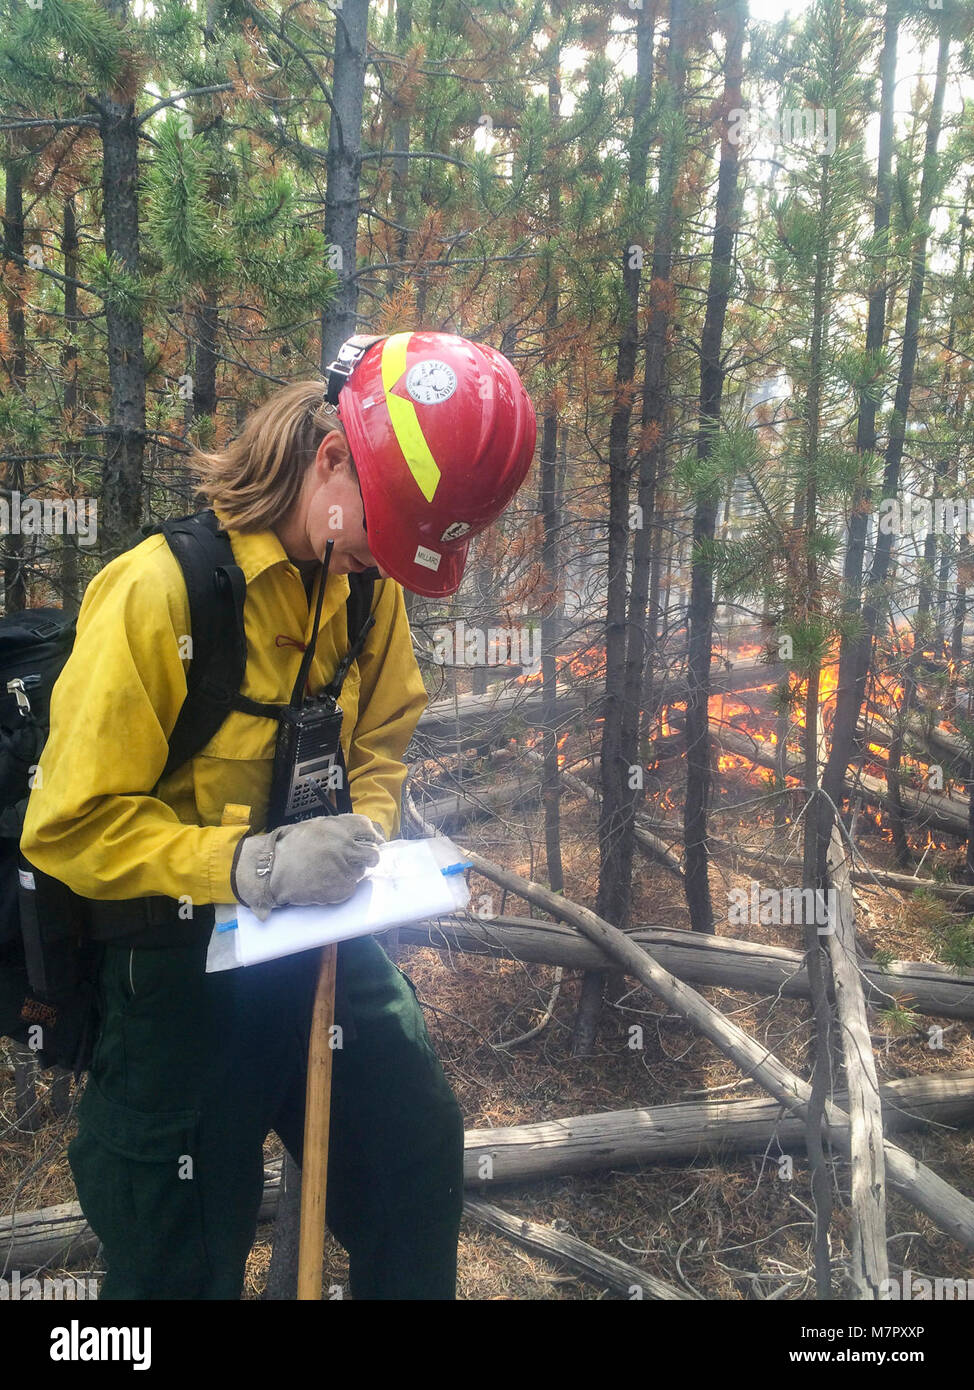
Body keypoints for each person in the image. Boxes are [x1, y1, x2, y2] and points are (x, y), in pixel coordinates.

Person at [20, 330, 536, 1299]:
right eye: (378, 534)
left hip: (317, 945)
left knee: (414, 1157)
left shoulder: (365, 586)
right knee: (174, 1254)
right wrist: (250, 868)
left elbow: (382, 727)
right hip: (170, 976)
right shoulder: (159, 594)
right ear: (329, 457)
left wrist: (363, 833)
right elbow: (68, 827)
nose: (377, 566)